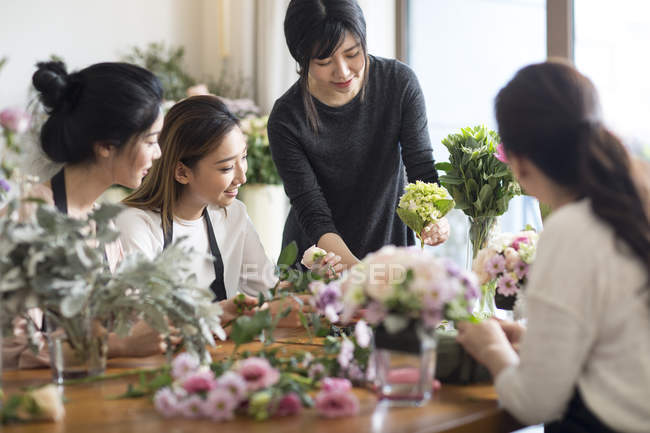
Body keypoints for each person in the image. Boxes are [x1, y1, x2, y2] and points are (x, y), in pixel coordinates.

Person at [456, 61, 650, 432]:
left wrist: (490, 348)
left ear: (519, 163)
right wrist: (533, 343)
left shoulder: (571, 230)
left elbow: (535, 402)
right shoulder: (634, 203)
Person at [117, 95, 340, 325]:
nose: (242, 177)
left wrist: (315, 282)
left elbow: (267, 291)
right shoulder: (134, 225)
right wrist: (220, 313)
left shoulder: (233, 215)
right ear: (182, 172)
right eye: (226, 168)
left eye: (243, 157)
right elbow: (138, 323)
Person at [2, 60, 166, 369]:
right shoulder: (26, 220)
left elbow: (124, 315)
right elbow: (12, 348)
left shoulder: (98, 222)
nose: (158, 154)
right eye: (150, 140)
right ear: (106, 145)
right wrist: (122, 345)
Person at [268, 0, 448, 268]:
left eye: (352, 54)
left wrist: (434, 219)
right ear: (301, 58)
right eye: (324, 60)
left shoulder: (399, 84)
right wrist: (358, 273)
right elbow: (313, 213)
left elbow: (422, 169)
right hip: (319, 262)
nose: (342, 71)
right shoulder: (287, 118)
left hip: (390, 255)